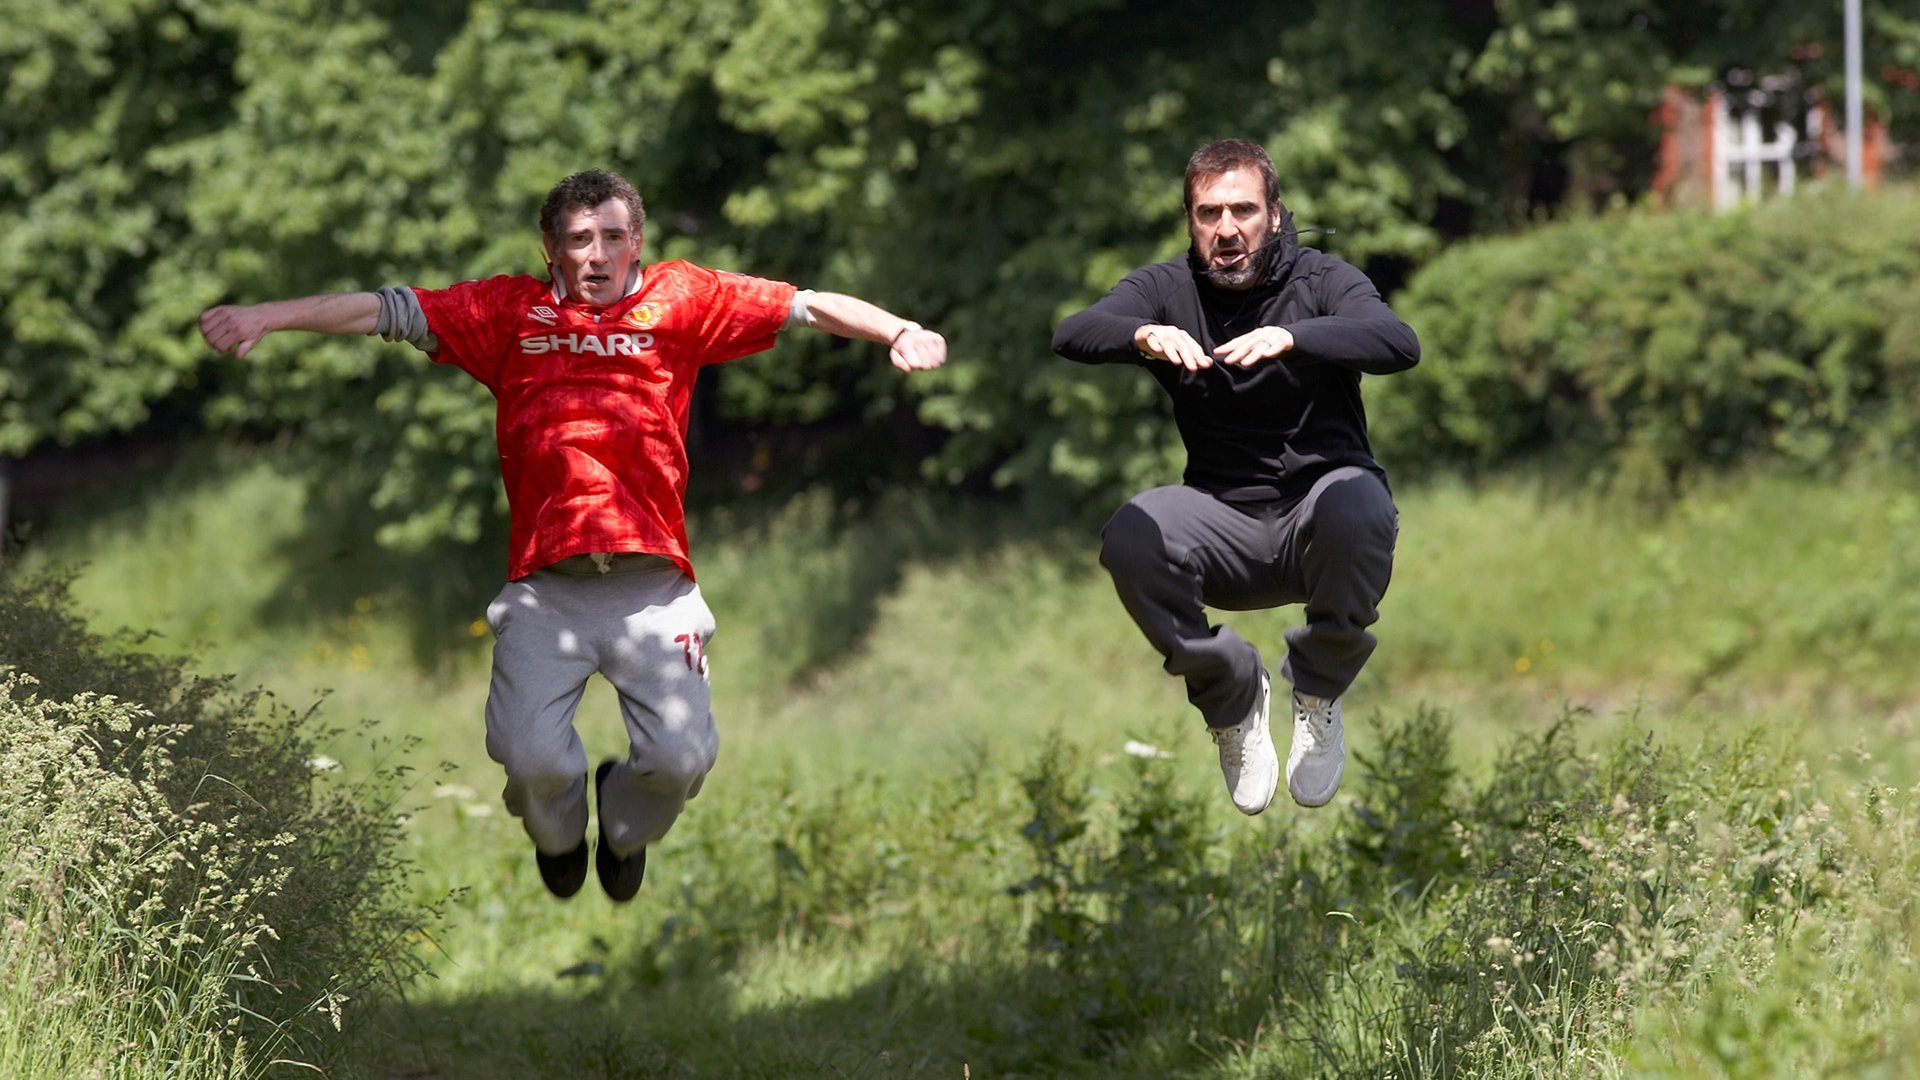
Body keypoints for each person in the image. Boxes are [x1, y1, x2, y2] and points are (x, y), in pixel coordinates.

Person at [199, 169, 946, 900]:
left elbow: (807, 307)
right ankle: (558, 835)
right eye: (580, 239)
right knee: (530, 762)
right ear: (551, 251)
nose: (597, 254)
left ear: (637, 243)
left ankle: (622, 824)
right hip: (546, 589)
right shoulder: (506, 314)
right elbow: (387, 309)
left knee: (680, 760)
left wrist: (900, 329)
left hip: (652, 586)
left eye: (613, 237)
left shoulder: (681, 300)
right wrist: (268, 314)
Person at [1051, 139, 1418, 816]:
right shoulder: (1168, 289)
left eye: (1243, 210)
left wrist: (1298, 339)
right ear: (1191, 221)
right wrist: (1142, 336)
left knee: (1357, 498)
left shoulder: (1320, 280)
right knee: (1130, 533)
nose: (1226, 229)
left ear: (1274, 215)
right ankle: (1233, 699)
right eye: (1208, 213)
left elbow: (1398, 343)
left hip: (1320, 526)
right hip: (1225, 528)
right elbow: (1074, 331)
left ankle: (1317, 689)